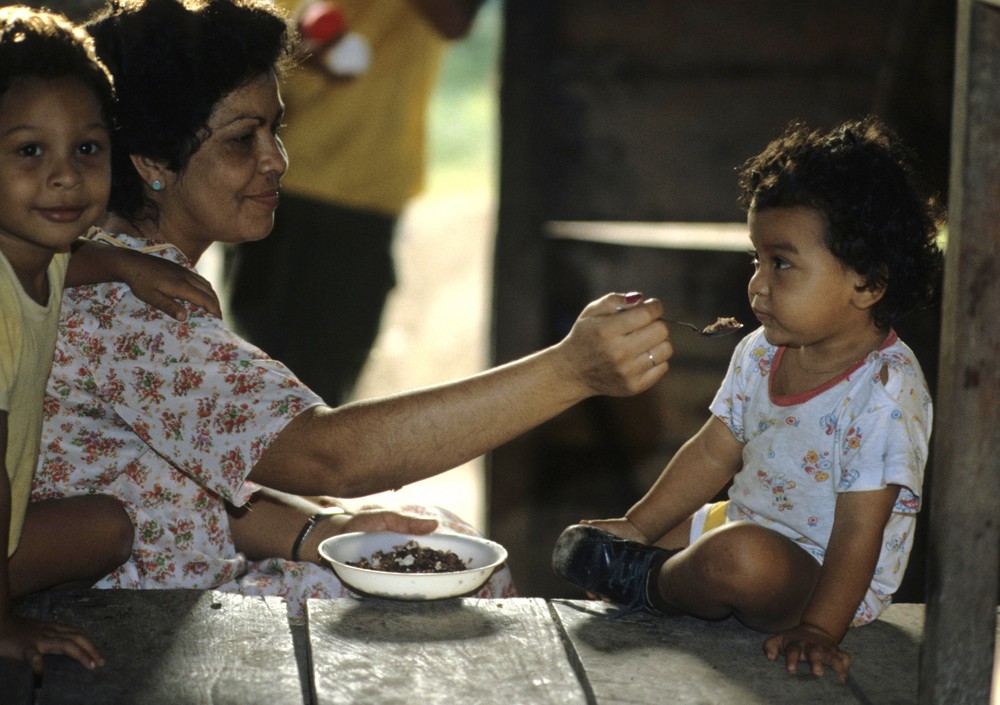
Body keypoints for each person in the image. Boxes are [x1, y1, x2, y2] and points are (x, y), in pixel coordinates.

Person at [31, 0, 671, 616]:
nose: (275, 162)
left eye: (274, 131)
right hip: (123, 609)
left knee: (427, 538)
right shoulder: (131, 304)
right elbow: (328, 456)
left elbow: (174, 488)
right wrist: (570, 371)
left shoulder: (111, 265)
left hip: (160, 572)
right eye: (241, 140)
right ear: (151, 163)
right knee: (446, 581)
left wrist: (324, 527)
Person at [552, 117, 944, 682]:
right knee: (611, 545)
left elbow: (861, 531)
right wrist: (638, 527)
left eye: (781, 263)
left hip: (818, 582)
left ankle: (651, 585)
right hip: (735, 526)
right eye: (755, 259)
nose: (757, 284)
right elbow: (713, 451)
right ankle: (655, 572)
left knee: (736, 559)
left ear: (868, 281)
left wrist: (818, 630)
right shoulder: (762, 351)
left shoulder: (885, 392)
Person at [0, 5, 220, 672]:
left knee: (109, 524)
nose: (65, 175)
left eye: (86, 148)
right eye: (29, 151)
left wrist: (127, 262)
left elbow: (74, 263)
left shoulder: (46, 251)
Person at [223, 0, 485, 405]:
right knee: (250, 373)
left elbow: (454, 20)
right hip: (265, 179)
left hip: (363, 190)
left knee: (320, 388)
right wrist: (290, 45)